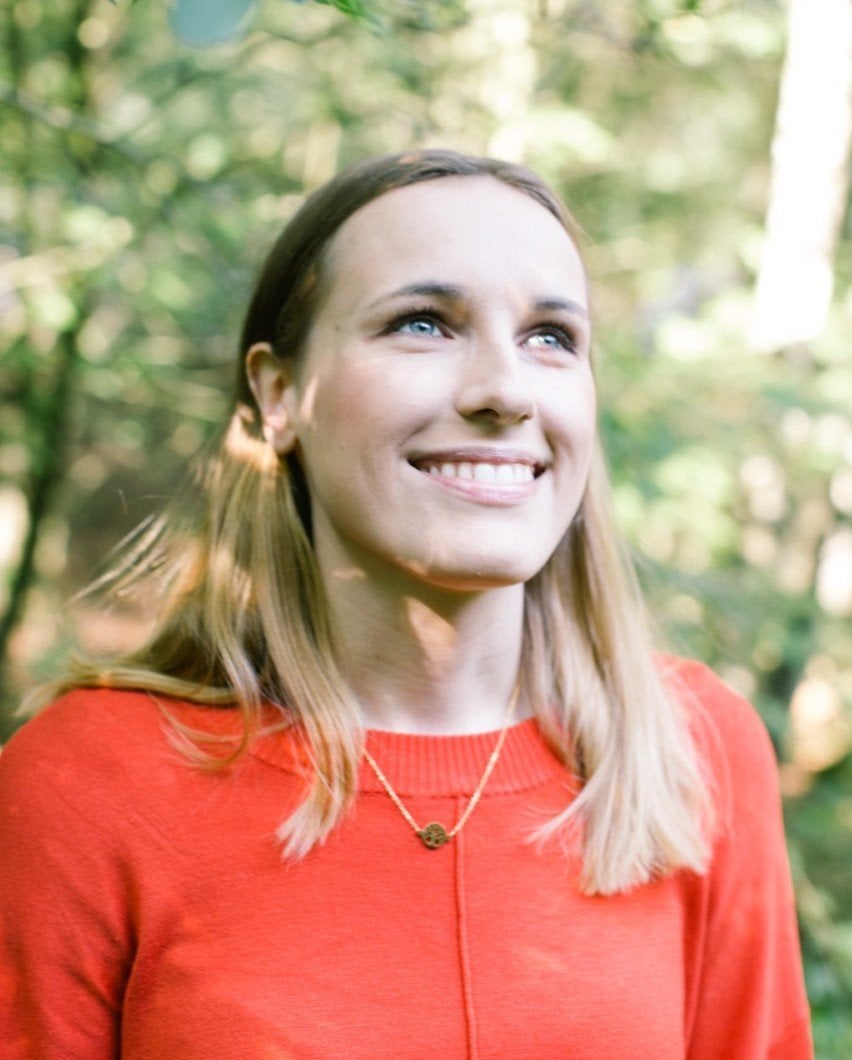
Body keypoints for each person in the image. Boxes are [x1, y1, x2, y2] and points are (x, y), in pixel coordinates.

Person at [0, 150, 812, 1058]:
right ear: (278, 396)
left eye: (551, 337)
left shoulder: (692, 748)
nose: (504, 391)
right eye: (423, 323)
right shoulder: (83, 785)